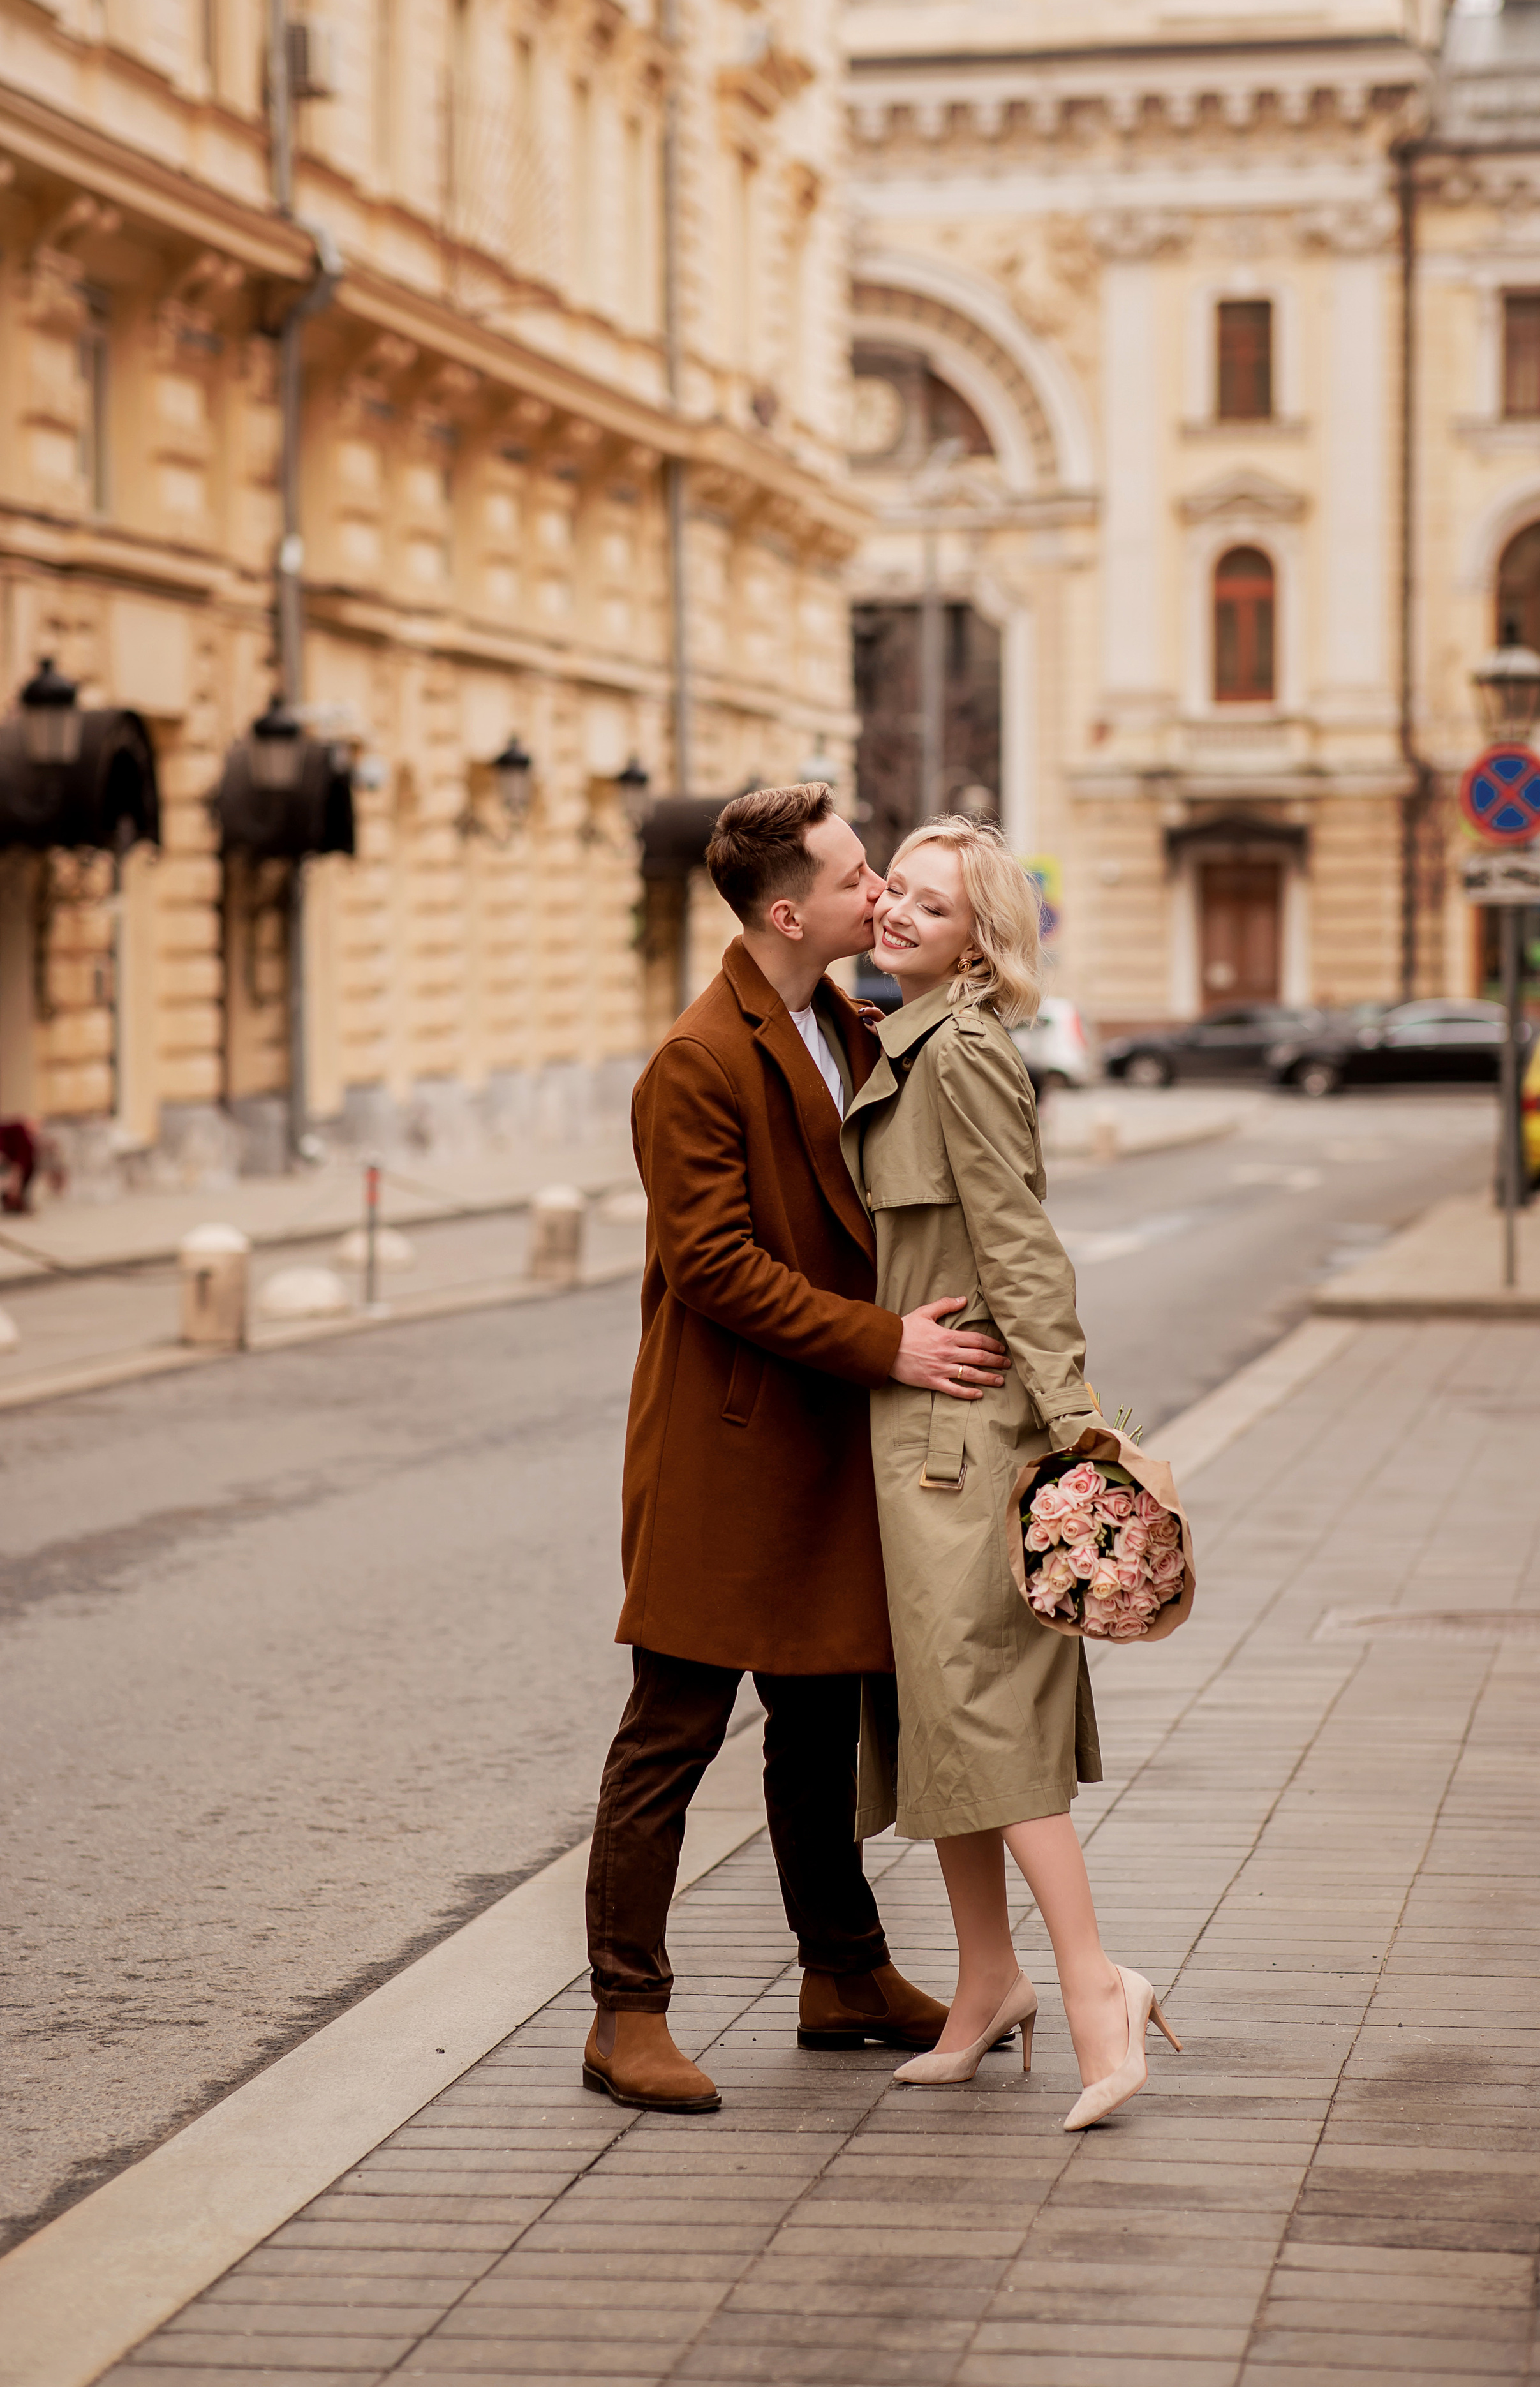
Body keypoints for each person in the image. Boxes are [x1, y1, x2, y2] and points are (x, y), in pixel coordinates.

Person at [583, 782, 1012, 2114]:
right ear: (787, 911)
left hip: (822, 1440)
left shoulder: (844, 1018)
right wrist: (886, 1345)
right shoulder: (695, 1060)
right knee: (675, 1726)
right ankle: (624, 2013)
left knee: (819, 1719)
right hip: (726, 1445)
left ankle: (842, 1972)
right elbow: (711, 1266)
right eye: (852, 878)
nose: (874, 891)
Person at [843, 813, 1182, 2132]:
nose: (894, 916)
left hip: (973, 1441)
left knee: (986, 1714)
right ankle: (987, 1983)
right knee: (943, 1722)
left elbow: (1021, 1248)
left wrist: (1077, 1429)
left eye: (927, 908)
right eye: (892, 895)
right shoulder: (902, 1038)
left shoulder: (964, 1051)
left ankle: (1094, 1983)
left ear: (979, 942)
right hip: (915, 1430)